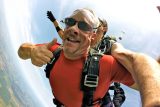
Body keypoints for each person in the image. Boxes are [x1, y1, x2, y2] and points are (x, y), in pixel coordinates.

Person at [18, 8, 160, 107]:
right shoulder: (57, 49)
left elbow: (138, 66)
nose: (74, 29)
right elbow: (24, 49)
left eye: (84, 26)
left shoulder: (108, 55)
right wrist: (33, 51)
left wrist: (154, 98)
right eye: (70, 22)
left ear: (95, 34)